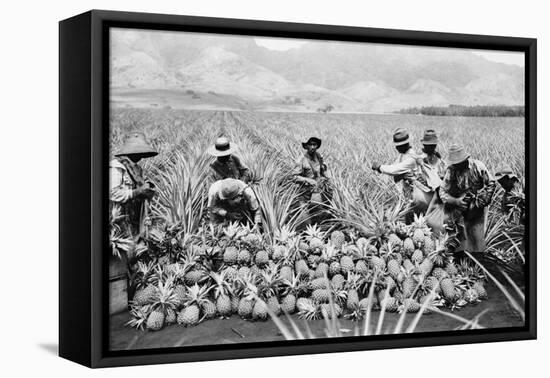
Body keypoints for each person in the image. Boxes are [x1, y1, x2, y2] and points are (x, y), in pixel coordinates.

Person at [439, 144, 496, 252]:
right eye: (455, 164)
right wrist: (456, 201)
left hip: (476, 209)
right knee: (460, 242)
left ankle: (478, 262)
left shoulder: (478, 166)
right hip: (458, 209)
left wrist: (483, 201)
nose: (458, 165)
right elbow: (442, 192)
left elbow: (491, 183)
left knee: (477, 239)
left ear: (466, 159)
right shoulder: (451, 170)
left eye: (460, 163)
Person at [372, 128, 431, 222]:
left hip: (416, 193)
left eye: (398, 146)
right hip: (408, 192)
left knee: (417, 217)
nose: (396, 148)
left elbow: (395, 169)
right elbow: (394, 166)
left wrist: (379, 167)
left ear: (405, 145)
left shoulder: (411, 158)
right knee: (410, 215)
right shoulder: (403, 154)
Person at [110, 132, 158, 235]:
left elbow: (141, 188)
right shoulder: (117, 167)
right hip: (118, 220)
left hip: (132, 217)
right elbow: (113, 194)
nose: (141, 157)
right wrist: (137, 192)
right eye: (139, 153)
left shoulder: (137, 169)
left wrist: (147, 188)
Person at [293, 137, 332, 224]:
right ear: (306, 146)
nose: (312, 147)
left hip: (316, 192)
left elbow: (323, 171)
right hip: (305, 194)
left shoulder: (318, 156)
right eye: (310, 144)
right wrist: (308, 180)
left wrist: (326, 176)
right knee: (305, 220)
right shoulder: (301, 160)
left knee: (318, 216)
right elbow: (294, 177)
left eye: (314, 144)